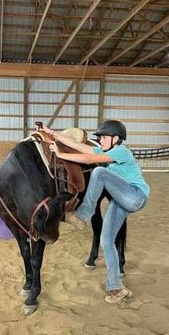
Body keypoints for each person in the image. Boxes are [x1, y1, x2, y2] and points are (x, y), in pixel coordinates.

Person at [40, 120, 150, 304]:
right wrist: (51, 133)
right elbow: (79, 146)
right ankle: (116, 288)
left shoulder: (121, 151)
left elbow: (90, 160)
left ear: (116, 139)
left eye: (105, 138)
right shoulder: (106, 151)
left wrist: (60, 154)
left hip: (136, 196)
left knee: (98, 172)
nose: (101, 141)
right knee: (106, 241)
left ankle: (82, 215)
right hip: (121, 199)